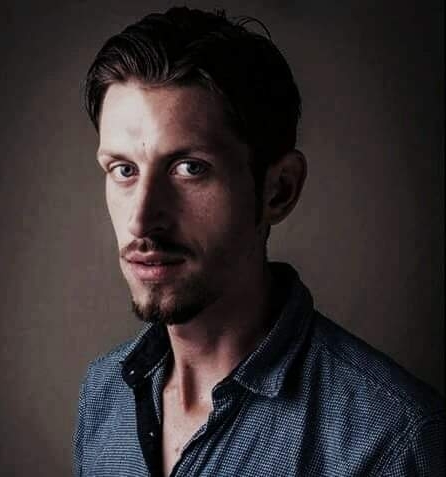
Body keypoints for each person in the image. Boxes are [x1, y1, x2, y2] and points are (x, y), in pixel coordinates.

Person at [74, 6, 444, 476]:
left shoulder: (392, 440)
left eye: (190, 168)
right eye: (123, 170)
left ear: (278, 190)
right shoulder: (103, 395)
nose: (142, 220)